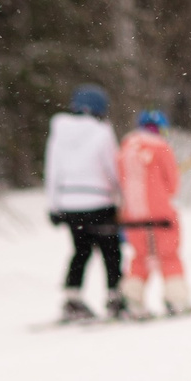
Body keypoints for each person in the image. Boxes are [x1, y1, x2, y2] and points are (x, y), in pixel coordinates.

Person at [45, 86, 124, 320]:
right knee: (111, 251)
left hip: (69, 203)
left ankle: (72, 298)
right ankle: (115, 297)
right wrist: (121, 196)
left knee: (80, 250)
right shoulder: (102, 132)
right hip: (99, 202)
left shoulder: (59, 132)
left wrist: (53, 205)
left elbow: (52, 170)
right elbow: (112, 168)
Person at [118, 109, 190, 318]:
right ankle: (177, 299)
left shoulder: (125, 148)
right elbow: (172, 184)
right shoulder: (161, 148)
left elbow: (121, 181)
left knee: (140, 258)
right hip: (161, 213)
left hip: (133, 215)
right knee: (169, 256)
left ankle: (132, 299)